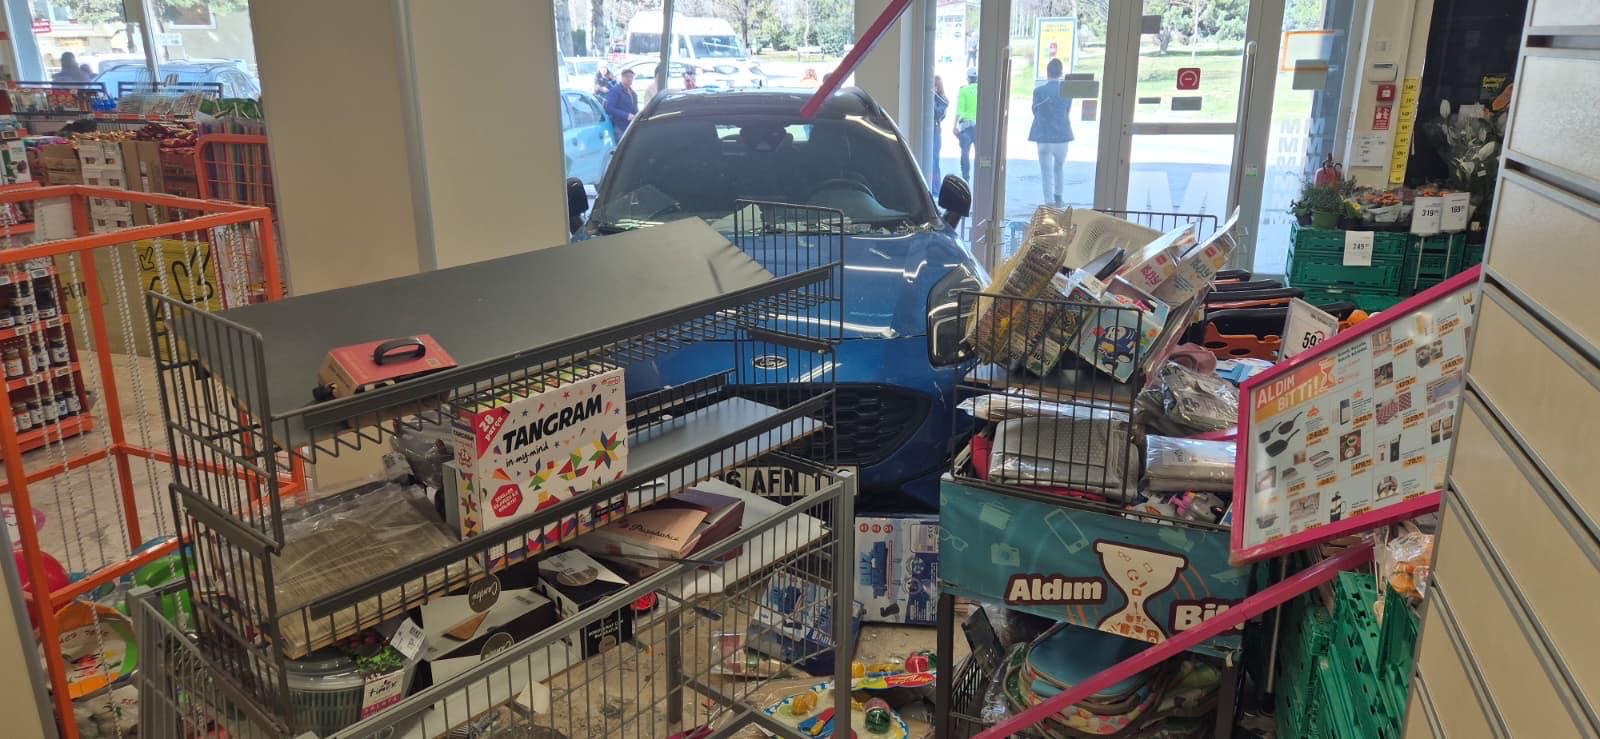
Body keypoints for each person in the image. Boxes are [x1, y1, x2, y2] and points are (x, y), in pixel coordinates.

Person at [1028, 58, 1075, 206]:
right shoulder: (1067, 92)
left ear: (1047, 72)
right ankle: (1059, 196)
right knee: (1059, 167)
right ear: (1061, 73)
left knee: (1046, 171)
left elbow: (1035, 111)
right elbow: (1067, 110)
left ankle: (1048, 201)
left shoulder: (1038, 91)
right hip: (1062, 135)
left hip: (1043, 136)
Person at [954, 67, 978, 181]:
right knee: (980, 153)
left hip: (966, 126)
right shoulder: (982, 90)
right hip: (978, 127)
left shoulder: (963, 90)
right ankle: (980, 174)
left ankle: (965, 177)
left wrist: (954, 125)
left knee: (965, 152)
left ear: (968, 78)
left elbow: (960, 110)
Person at [604, 68, 639, 136]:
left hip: (632, 126)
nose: (629, 79)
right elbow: (609, 108)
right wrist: (626, 115)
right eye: (627, 76)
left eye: (631, 77)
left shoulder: (633, 93)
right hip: (620, 128)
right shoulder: (615, 90)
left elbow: (635, 109)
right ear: (622, 77)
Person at [931, 75, 948, 188]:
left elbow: (938, 113)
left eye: (935, 86)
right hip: (930, 131)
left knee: (935, 160)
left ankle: (936, 187)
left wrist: (932, 99)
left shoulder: (943, 100)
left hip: (936, 132)